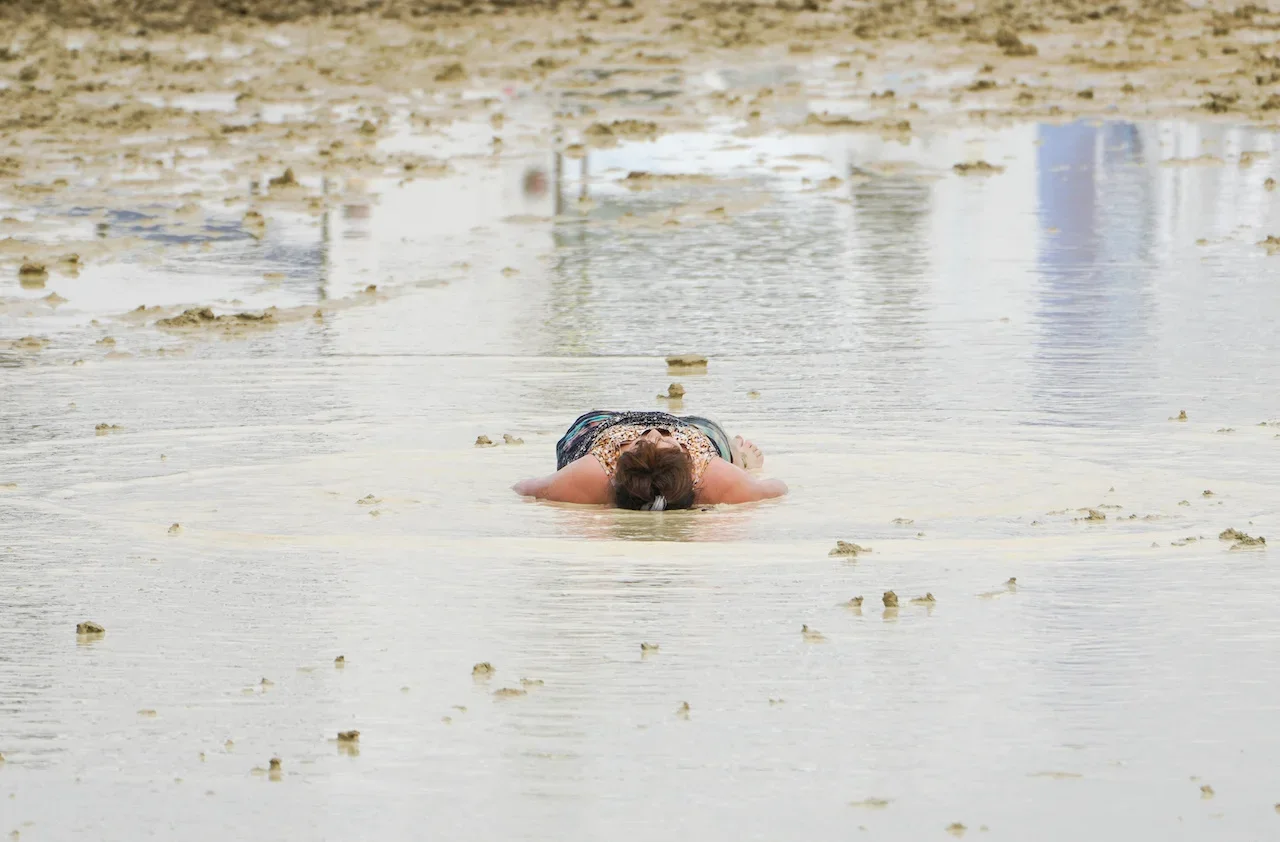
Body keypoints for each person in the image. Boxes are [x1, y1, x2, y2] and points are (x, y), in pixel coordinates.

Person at [513, 410, 788, 509]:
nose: (655, 431)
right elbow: (776, 488)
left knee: (583, 424)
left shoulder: (592, 475)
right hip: (694, 432)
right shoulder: (709, 474)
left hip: (603, 424)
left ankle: (736, 457)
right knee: (716, 439)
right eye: (663, 441)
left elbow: (524, 487)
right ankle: (736, 457)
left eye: (646, 442)